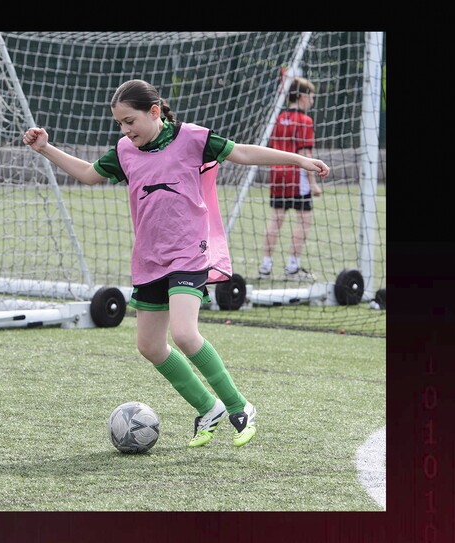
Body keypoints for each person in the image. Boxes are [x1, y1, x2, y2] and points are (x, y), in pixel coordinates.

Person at [22, 79, 329, 448]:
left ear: (154, 112)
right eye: (119, 123)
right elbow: (89, 175)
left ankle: (238, 406)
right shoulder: (124, 150)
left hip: (189, 253)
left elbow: (243, 154)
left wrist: (299, 159)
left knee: (184, 333)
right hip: (149, 258)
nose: (125, 130)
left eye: (130, 121)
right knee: (150, 346)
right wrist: (45, 149)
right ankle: (207, 407)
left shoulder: (193, 138)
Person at [258, 77, 322, 282]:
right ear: (302, 96)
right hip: (296, 176)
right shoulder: (305, 120)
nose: (312, 100)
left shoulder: (279, 117)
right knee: (304, 220)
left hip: (277, 174)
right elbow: (306, 155)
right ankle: (292, 268)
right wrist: (313, 184)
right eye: (311, 96)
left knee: (276, 219)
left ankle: (265, 267)